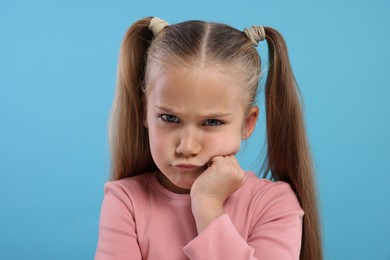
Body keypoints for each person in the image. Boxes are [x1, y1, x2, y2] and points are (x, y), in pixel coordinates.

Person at [95, 16, 322, 260]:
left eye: (212, 122)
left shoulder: (273, 205)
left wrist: (208, 206)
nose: (187, 147)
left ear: (247, 123)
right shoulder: (126, 201)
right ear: (145, 113)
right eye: (170, 118)